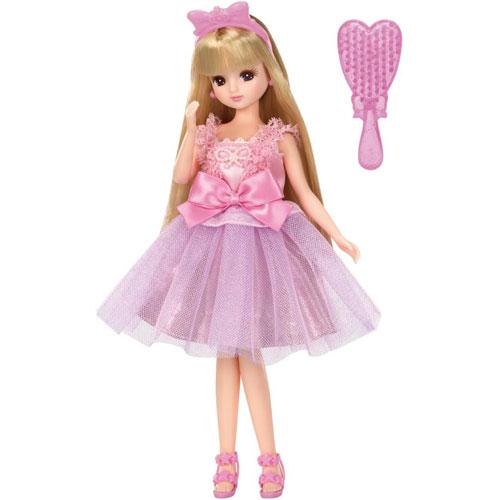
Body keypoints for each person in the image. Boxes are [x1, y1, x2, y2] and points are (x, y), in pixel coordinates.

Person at [97, 2, 381, 497]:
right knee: (225, 357)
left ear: (268, 75)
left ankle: (269, 457)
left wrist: (336, 233)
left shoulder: (279, 137)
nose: (234, 88)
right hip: (212, 245)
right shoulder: (210, 133)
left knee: (248, 354)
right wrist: (190, 129)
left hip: (261, 246)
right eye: (221, 79)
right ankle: (226, 456)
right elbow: (181, 176)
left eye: (245, 75)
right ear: (209, 87)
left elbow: (304, 193)